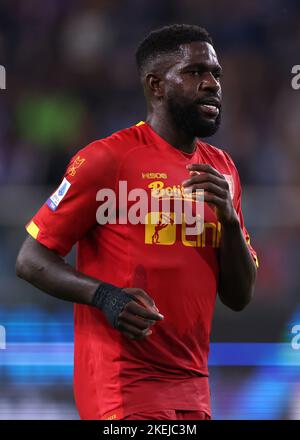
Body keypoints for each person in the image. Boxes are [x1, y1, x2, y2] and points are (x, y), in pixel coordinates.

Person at [16, 24, 258, 421]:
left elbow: (239, 296)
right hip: (121, 381)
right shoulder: (107, 159)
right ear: (156, 85)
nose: (212, 84)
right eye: (195, 72)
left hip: (193, 384)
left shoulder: (223, 169)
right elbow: (30, 259)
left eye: (215, 74)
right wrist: (105, 297)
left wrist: (230, 223)